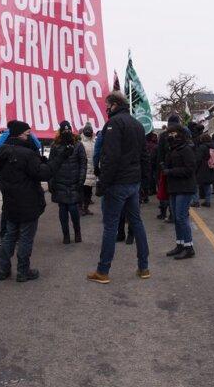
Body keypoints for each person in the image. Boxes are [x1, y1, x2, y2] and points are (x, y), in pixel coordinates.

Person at [87, 91, 151, 284]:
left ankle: (103, 270)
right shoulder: (138, 125)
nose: (106, 109)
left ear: (114, 105)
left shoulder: (114, 124)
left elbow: (110, 157)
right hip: (134, 182)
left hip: (118, 183)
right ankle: (144, 267)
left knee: (110, 226)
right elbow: (144, 156)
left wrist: (103, 184)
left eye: (107, 105)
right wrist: (145, 183)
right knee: (137, 223)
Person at [0, 121, 53, 281]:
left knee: (9, 235)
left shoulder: (1, 152)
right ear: (20, 134)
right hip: (28, 201)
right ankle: (23, 271)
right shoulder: (27, 154)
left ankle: (2, 268)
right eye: (27, 134)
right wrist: (48, 164)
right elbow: (42, 174)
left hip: (10, 200)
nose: (29, 136)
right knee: (26, 237)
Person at [161, 124, 197, 260]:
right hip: (174, 187)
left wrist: (170, 171)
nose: (171, 136)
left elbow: (190, 169)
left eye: (174, 133)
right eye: (169, 134)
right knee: (176, 217)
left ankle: (189, 247)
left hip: (185, 187)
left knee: (182, 217)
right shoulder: (172, 149)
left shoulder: (186, 149)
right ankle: (180, 244)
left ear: (181, 134)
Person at [49, 121, 87, 244]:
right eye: (64, 130)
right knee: (63, 210)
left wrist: (81, 180)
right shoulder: (55, 146)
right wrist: (51, 182)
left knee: (73, 209)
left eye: (68, 129)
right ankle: (66, 235)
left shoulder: (78, 145)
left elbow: (83, 164)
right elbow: (51, 165)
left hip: (74, 182)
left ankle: (77, 232)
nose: (67, 132)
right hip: (60, 181)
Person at [155, 114, 185, 221]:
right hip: (180, 167)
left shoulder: (163, 135)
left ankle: (163, 212)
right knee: (176, 191)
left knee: (164, 189)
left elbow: (160, 154)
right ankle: (174, 214)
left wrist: (160, 168)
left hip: (165, 167)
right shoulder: (184, 134)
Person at [193, 132, 214, 207]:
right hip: (211, 167)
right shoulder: (213, 147)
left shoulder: (202, 147)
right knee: (207, 185)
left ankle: (196, 201)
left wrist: (195, 168)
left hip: (201, 168)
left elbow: (198, 159)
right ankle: (208, 201)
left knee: (195, 185)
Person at [79, 124, 97, 215]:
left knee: (89, 192)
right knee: (82, 191)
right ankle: (81, 208)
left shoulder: (94, 141)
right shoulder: (80, 142)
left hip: (92, 171)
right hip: (83, 170)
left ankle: (86, 208)